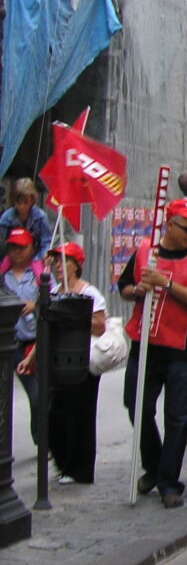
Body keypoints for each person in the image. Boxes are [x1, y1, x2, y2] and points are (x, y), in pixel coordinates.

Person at [120, 199, 187, 508]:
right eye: (186, 228)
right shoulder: (145, 251)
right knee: (136, 405)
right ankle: (156, 464)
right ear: (169, 224)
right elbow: (124, 286)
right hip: (144, 344)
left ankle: (168, 481)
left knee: (178, 417)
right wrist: (137, 291)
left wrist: (166, 283)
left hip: (180, 348)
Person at [18, 243, 106, 483]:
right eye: (55, 261)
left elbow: (100, 325)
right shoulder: (53, 291)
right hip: (57, 362)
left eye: (62, 260)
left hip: (81, 361)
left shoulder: (90, 293)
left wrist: (74, 315)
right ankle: (63, 462)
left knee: (80, 417)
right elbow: (45, 329)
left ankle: (79, 469)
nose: (57, 265)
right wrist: (29, 358)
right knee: (55, 415)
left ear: (75, 265)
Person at [2, 227, 49, 443]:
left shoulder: (40, 275)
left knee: (37, 394)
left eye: (22, 247)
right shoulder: (3, 277)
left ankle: (41, 439)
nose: (17, 252)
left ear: (31, 249)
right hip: (9, 343)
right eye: (13, 247)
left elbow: (53, 301)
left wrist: (36, 304)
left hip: (34, 341)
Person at [0, 178, 52, 260]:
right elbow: (3, 242)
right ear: (13, 201)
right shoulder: (6, 218)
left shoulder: (40, 217)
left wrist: (44, 255)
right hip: (12, 258)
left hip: (35, 257)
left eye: (26, 202)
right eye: (18, 203)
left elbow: (46, 241)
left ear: (32, 200)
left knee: (40, 272)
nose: (22, 207)